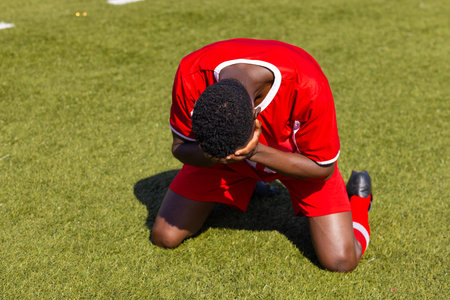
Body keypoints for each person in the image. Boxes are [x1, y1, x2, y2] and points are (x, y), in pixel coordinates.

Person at [151, 39, 373, 272]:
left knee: (341, 261)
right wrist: (217, 153)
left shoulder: (307, 82)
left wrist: (255, 151)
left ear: (257, 112)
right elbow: (180, 146)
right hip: (219, 160)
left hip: (295, 161)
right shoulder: (192, 73)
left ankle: (358, 203)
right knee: (164, 237)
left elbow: (322, 168)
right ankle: (247, 182)